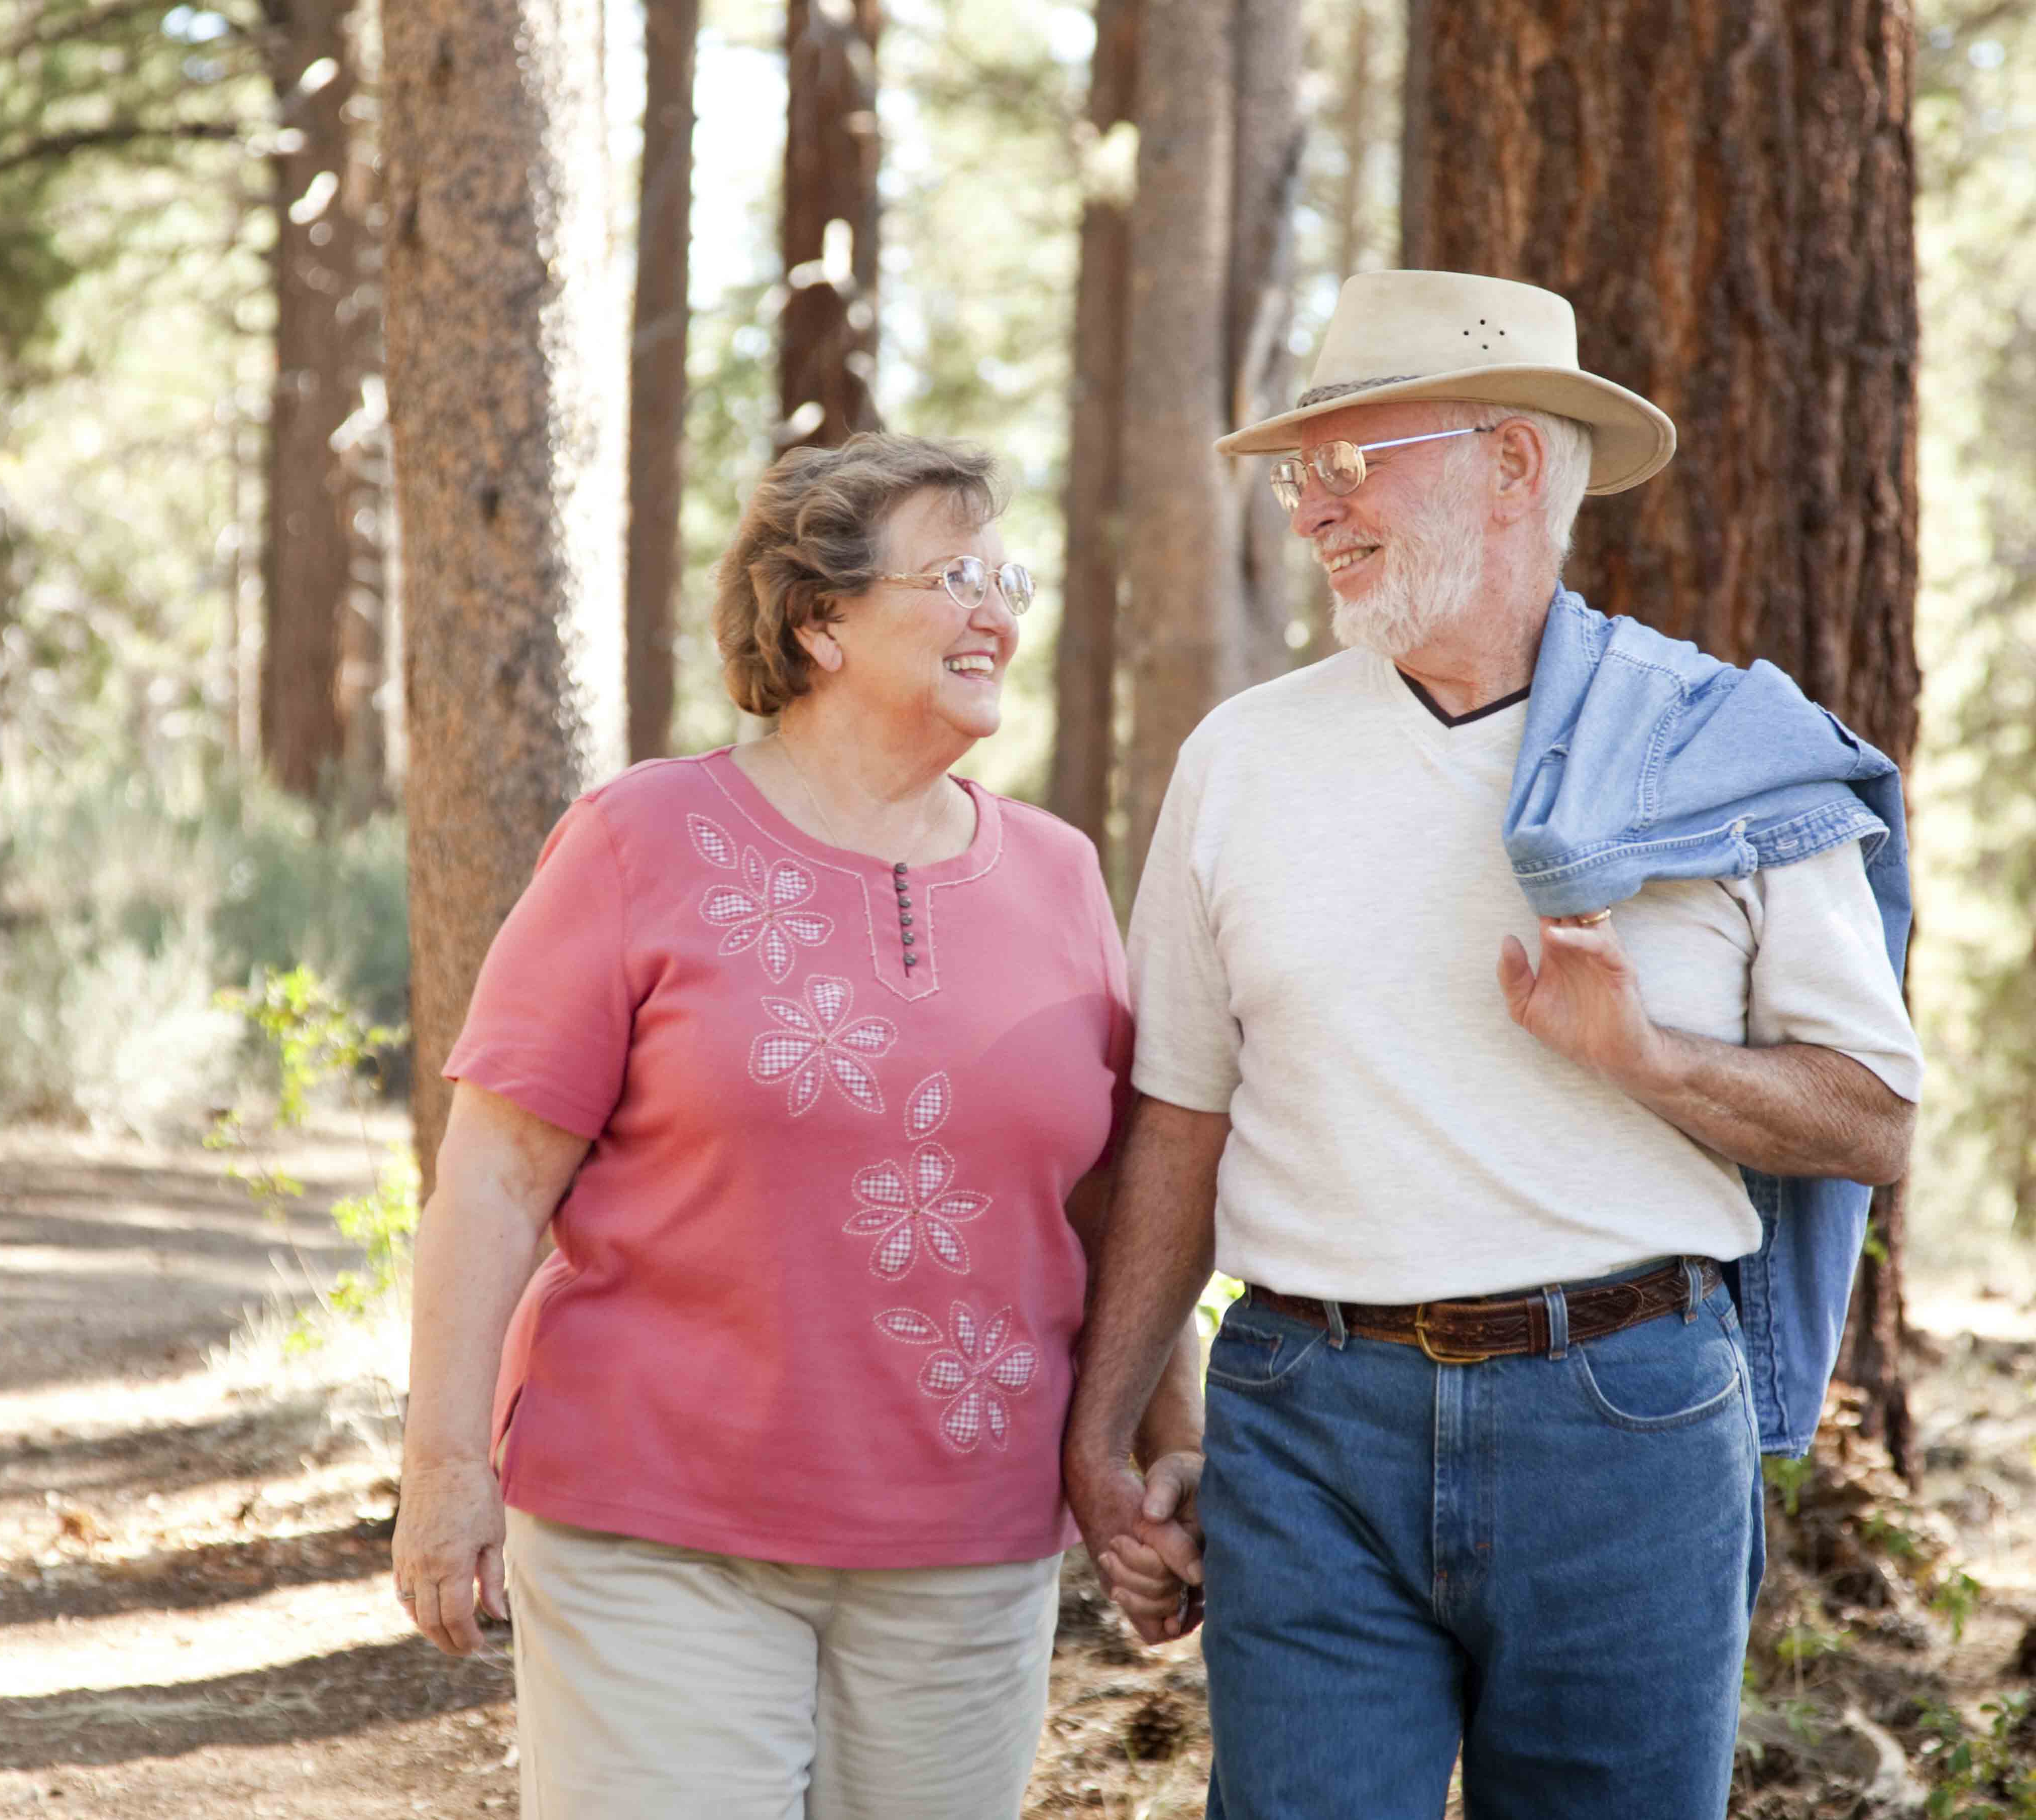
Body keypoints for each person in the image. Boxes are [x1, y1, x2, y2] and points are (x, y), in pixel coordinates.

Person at [1066, 269, 1923, 1819]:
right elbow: (1180, 1120)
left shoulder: (1722, 751)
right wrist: (1106, 1423)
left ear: (1513, 461)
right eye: (1297, 476)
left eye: (1350, 464)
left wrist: (1651, 1060)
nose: (1312, 512)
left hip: (1629, 1422)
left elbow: (1874, 1121)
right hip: (1304, 1417)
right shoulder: (1241, 760)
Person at [392, 432, 1198, 1819]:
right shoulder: (641, 838)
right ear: (819, 619)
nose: (998, 611)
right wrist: (447, 1464)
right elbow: (495, 1174)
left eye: (1007, 575)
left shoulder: (1060, 875)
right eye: (953, 576)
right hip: (658, 1529)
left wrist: (1154, 1450)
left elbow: (1120, 1208)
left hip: (969, 1537)